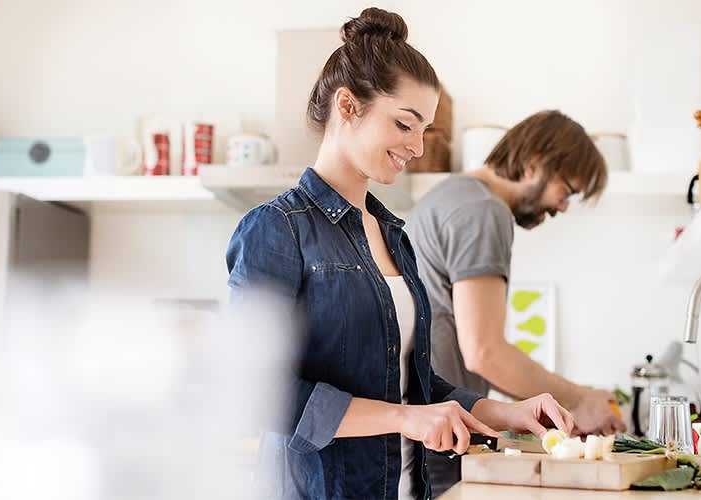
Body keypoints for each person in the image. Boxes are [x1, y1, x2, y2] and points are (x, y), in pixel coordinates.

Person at [225, 8, 575, 500]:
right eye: (405, 125)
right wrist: (405, 418)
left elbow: (416, 385)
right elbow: (254, 391)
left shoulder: (394, 236)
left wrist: (508, 413)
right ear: (347, 106)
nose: (417, 146)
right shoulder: (277, 229)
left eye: (424, 130)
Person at [405, 110, 627, 495]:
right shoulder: (483, 210)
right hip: (442, 442)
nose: (563, 207)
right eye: (567, 190)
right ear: (536, 162)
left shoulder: (449, 196)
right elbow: (484, 352)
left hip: (425, 432)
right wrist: (579, 400)